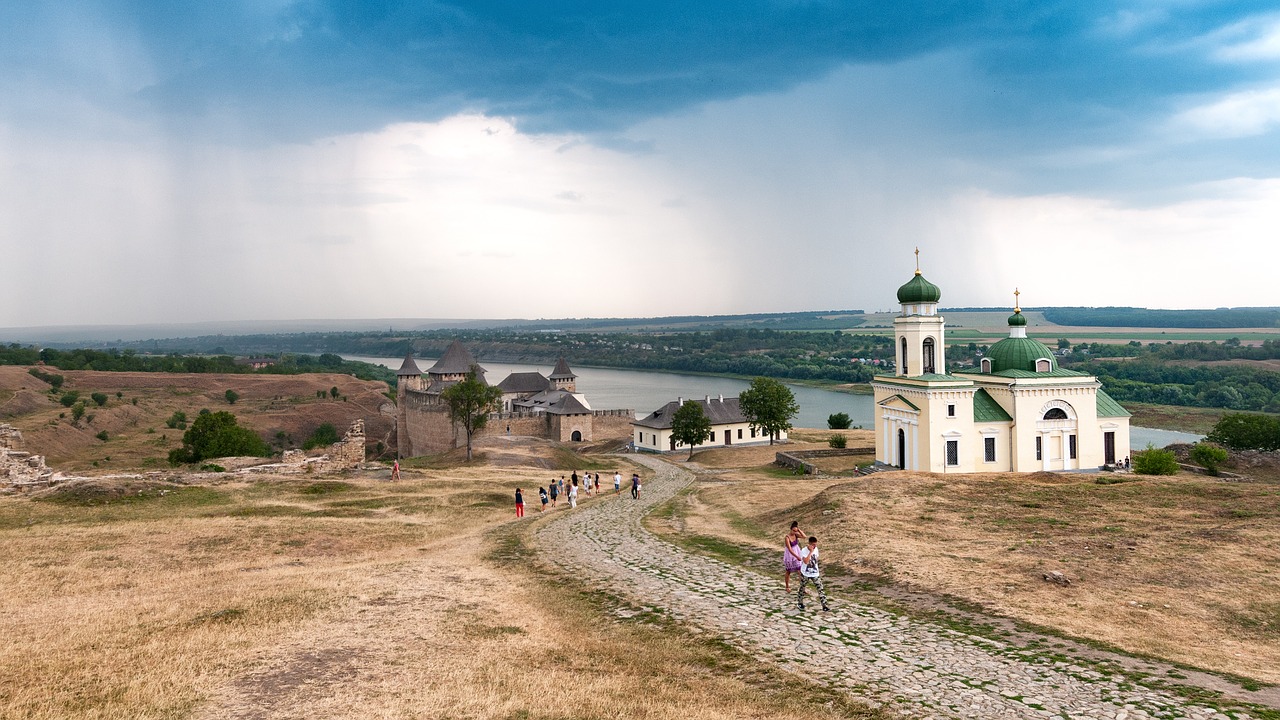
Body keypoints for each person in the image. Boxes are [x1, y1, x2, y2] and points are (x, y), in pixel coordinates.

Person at [796, 536, 829, 612]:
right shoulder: (804, 551)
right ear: (810, 544)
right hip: (805, 573)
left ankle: (824, 605)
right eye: (813, 545)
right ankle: (800, 603)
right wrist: (810, 552)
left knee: (820, 588)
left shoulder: (816, 549)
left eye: (816, 544)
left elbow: (816, 559)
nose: (815, 546)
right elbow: (806, 561)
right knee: (802, 588)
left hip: (815, 573)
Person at [782, 521, 805, 592]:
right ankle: (787, 586)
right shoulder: (787, 537)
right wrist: (797, 556)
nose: (794, 532)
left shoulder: (796, 535)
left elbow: (804, 536)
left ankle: (803, 588)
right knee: (788, 571)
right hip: (790, 554)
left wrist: (799, 530)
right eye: (793, 530)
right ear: (790, 529)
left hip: (797, 551)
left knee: (800, 570)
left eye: (796, 531)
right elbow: (789, 549)